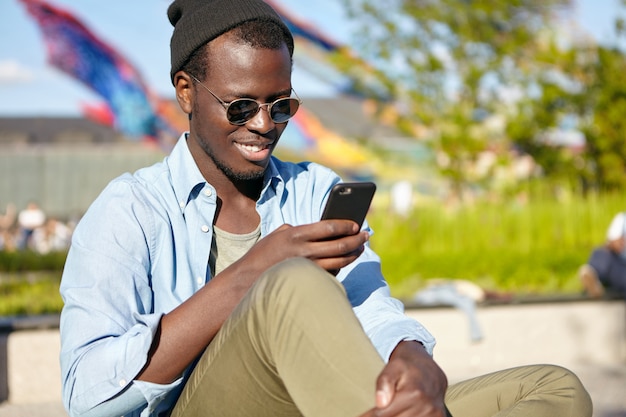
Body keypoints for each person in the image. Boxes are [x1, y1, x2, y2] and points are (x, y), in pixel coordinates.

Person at [59, 1, 592, 416]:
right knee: (292, 283)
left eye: (281, 104)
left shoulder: (314, 189)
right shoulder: (130, 210)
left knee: (554, 389)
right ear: (186, 93)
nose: (265, 125)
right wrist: (254, 272)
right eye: (242, 106)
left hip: (323, 404)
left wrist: (413, 358)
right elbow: (85, 395)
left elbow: (372, 307)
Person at [579, 212, 626, 299]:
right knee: (601, 253)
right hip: (619, 266)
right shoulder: (621, 219)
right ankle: (593, 280)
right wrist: (615, 244)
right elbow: (609, 244)